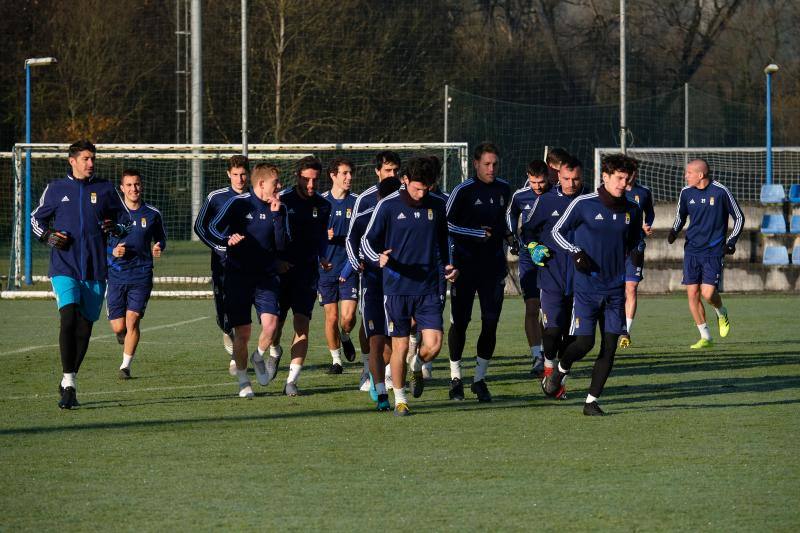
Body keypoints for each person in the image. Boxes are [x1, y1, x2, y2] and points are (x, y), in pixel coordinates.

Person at [30, 140, 129, 409]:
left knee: (84, 330)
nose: (91, 163)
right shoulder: (56, 189)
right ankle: (69, 383)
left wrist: (115, 227)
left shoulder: (106, 189)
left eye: (93, 158)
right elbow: (35, 220)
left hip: (96, 269)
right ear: (72, 161)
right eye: (85, 158)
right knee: (68, 317)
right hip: (64, 267)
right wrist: (49, 236)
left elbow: (125, 222)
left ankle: (69, 380)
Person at [543, 154, 643, 416]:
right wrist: (575, 251)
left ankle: (591, 401)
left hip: (615, 291)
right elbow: (557, 232)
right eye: (619, 177)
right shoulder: (583, 204)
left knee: (610, 347)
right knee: (584, 343)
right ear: (605, 177)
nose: (623, 183)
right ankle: (560, 370)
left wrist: (636, 254)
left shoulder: (633, 210)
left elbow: (635, 242)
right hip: (587, 289)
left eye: (628, 178)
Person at [362, 156, 458, 416]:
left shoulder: (438, 205)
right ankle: (400, 399)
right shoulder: (387, 206)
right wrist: (377, 257)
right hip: (396, 288)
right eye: (417, 187)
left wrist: (449, 266)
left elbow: (443, 241)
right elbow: (366, 242)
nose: (421, 193)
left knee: (434, 344)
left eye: (426, 188)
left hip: (428, 287)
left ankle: (417, 364)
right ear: (404, 181)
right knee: (400, 345)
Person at [209, 163, 287, 398]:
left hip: (267, 277)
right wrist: (226, 240)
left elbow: (282, 244)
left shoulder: (279, 209)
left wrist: (276, 217)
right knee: (242, 333)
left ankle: (258, 356)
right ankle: (244, 381)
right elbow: (212, 227)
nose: (280, 186)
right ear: (262, 184)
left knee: (272, 326)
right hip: (238, 278)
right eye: (276, 182)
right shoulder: (238, 203)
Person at [445, 142, 511, 402]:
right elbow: (446, 224)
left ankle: (480, 379)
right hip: (464, 267)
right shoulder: (462, 191)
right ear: (475, 164)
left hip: (493, 267)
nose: (491, 169)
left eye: (495, 164)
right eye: (486, 164)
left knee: (491, 322)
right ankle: (455, 378)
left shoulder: (504, 188)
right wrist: (473, 233)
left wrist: (509, 235)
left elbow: (501, 221)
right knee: (460, 322)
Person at [520, 154, 587, 400]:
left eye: (576, 179)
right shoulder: (547, 201)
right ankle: (549, 370)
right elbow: (527, 231)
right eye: (567, 178)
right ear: (558, 175)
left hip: (582, 280)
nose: (571, 183)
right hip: (551, 276)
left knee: (572, 338)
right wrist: (533, 247)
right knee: (551, 331)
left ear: (583, 177)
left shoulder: (590, 200)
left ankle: (558, 380)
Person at [267, 156, 331, 396]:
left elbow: (322, 236)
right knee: (275, 328)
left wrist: (323, 256)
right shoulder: (282, 200)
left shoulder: (324, 206)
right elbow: (270, 235)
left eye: (315, 180)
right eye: (306, 179)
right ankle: (274, 350)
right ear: (297, 177)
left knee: (302, 324)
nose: (311, 185)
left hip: (307, 275)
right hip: (281, 274)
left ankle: (292, 381)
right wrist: (275, 261)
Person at [668, 159, 744, 349]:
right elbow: (680, 216)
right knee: (692, 294)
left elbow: (739, 217)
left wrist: (731, 241)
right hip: (692, 250)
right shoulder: (686, 192)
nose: (685, 176)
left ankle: (721, 311)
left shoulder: (720, 191)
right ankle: (705, 336)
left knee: (708, 294)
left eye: (689, 173)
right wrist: (674, 231)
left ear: (700, 175)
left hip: (713, 251)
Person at [342, 176, 402, 411]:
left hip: (399, 289)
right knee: (376, 341)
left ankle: (388, 376)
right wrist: (357, 262)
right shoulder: (363, 217)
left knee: (393, 344)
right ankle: (380, 391)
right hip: (373, 288)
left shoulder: (401, 219)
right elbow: (350, 240)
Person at [106, 169, 167, 380]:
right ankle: (122, 335)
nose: (134, 189)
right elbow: (99, 241)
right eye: (129, 185)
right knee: (119, 326)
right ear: (122, 188)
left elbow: (161, 239)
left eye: (137, 184)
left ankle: (125, 366)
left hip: (141, 275)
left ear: (142, 186)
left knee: (133, 320)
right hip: (115, 275)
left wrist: (159, 246)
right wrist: (113, 251)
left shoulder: (152, 214)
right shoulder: (112, 214)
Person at [194, 155, 249, 371]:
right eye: (235, 174)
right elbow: (200, 227)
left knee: (247, 310)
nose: (240, 178)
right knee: (224, 310)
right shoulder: (216, 197)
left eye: (243, 174)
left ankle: (240, 356)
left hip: (249, 264)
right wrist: (218, 246)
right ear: (228, 174)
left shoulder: (256, 197)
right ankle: (227, 331)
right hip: (222, 263)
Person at [506, 159, 550, 375]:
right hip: (528, 256)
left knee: (550, 309)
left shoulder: (556, 194)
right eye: (533, 182)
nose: (537, 187)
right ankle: (537, 356)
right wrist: (513, 237)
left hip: (553, 259)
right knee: (532, 307)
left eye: (541, 182)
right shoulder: (520, 195)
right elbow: (510, 214)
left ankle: (551, 353)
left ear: (548, 177)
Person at [320, 157, 359, 374]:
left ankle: (345, 335)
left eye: (350, 173)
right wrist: (322, 235)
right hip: (325, 268)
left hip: (349, 266)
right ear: (333, 175)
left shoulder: (357, 201)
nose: (349, 177)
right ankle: (336, 361)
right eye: (344, 173)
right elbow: (311, 235)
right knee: (331, 317)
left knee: (348, 318)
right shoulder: (322, 202)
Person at [619, 161, 655, 348]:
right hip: (615, 246)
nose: (629, 176)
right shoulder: (612, 191)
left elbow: (650, 214)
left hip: (636, 245)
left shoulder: (643, 192)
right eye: (626, 172)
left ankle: (626, 331)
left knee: (631, 288)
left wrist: (647, 225)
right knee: (616, 289)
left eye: (632, 172)